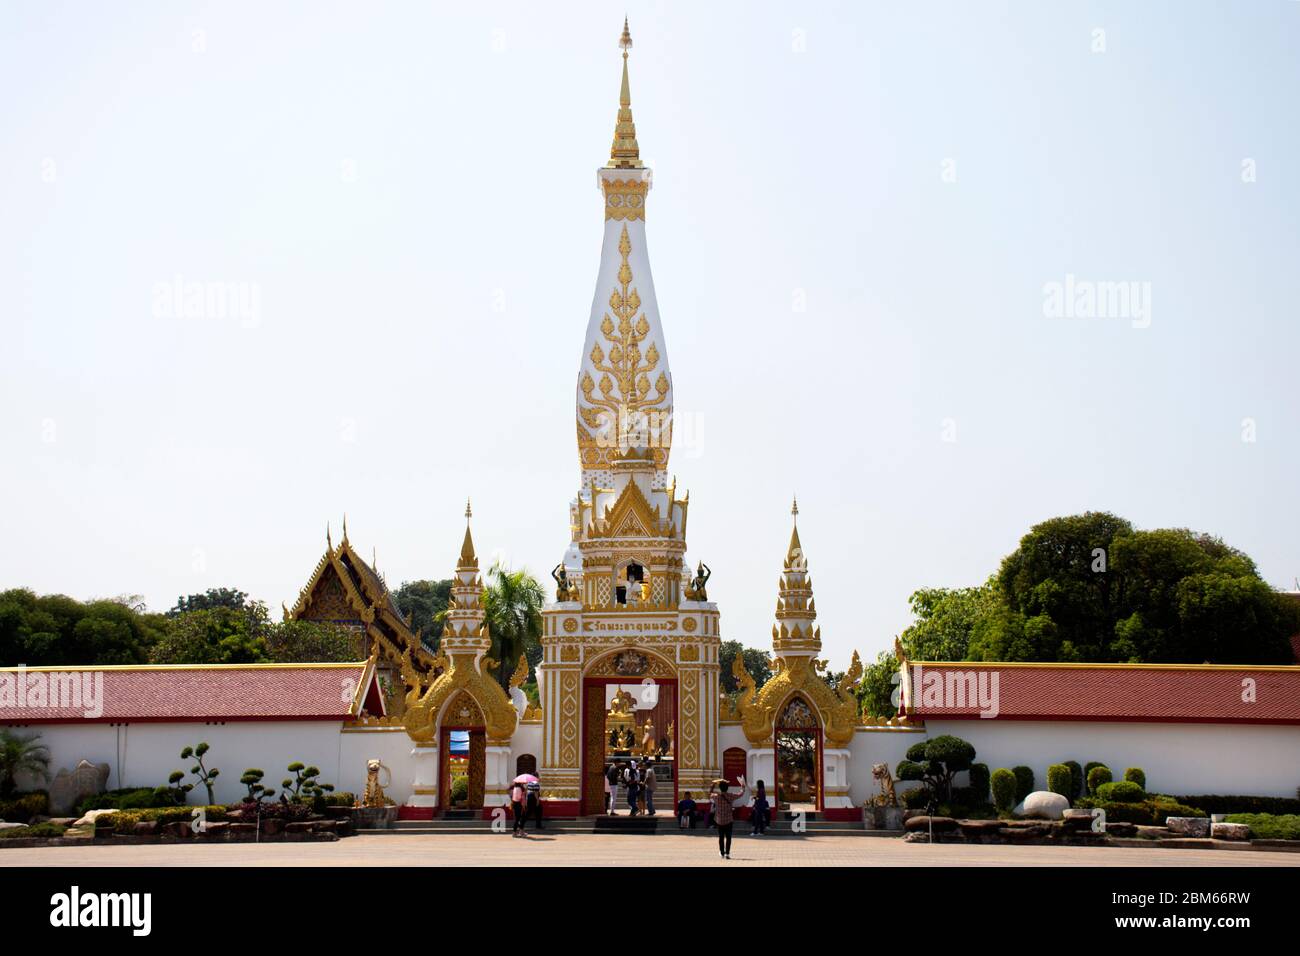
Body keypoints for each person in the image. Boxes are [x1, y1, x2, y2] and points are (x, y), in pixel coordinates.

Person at [708, 777, 748, 860]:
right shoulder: (730, 796)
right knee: (729, 837)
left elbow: (710, 793)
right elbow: (741, 794)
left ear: (720, 788)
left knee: (721, 837)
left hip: (719, 820)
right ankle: (727, 853)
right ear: (727, 788)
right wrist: (742, 786)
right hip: (729, 820)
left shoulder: (716, 796)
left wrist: (713, 785)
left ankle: (722, 852)